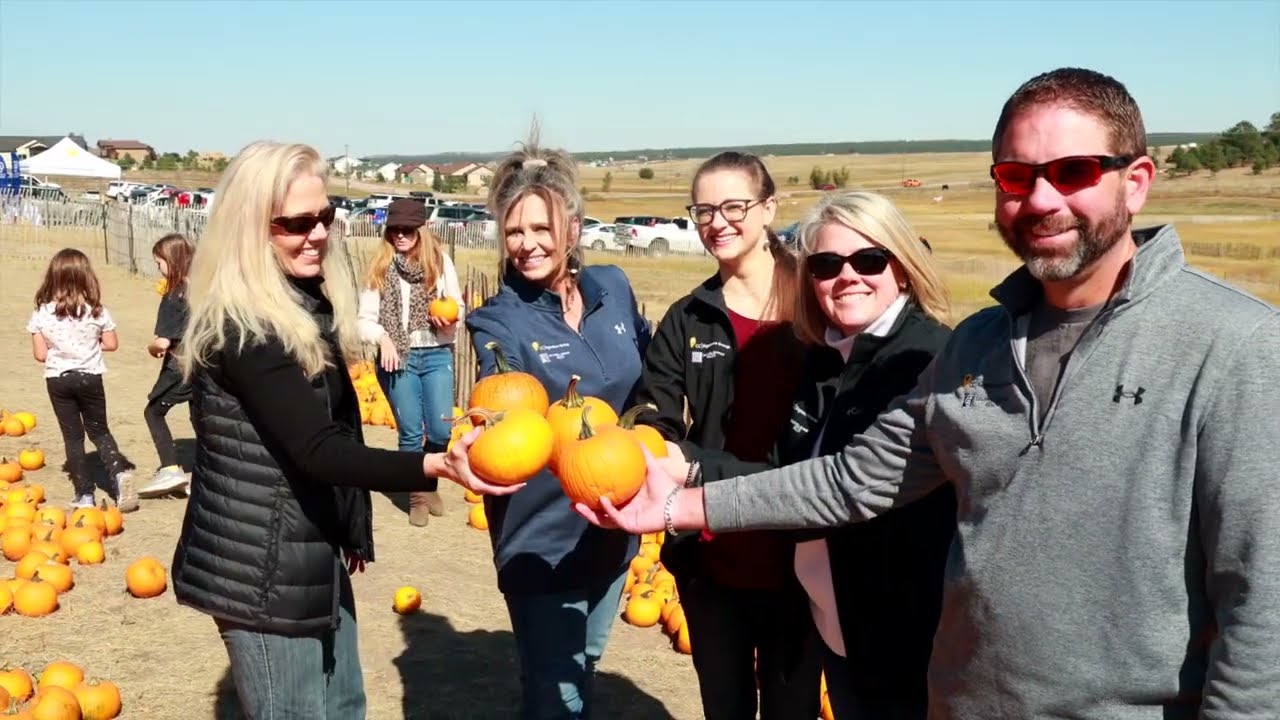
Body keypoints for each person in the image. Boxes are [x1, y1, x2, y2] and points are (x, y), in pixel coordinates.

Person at [576, 67, 1280, 717]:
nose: (1040, 199)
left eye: (1073, 172)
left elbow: (1262, 608)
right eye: (1015, 176)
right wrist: (676, 502)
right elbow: (853, 480)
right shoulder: (979, 345)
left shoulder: (1233, 346)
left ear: (1137, 181)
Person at [169, 140, 516, 719]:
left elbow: (327, 427)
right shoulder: (247, 328)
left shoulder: (297, 303)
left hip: (305, 549)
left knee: (345, 705)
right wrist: (431, 464)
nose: (318, 233)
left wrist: (348, 525)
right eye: (296, 223)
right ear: (249, 229)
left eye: (325, 216)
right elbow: (318, 449)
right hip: (262, 568)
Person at [682, 190, 956, 719]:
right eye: (827, 264)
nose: (846, 276)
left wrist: (689, 492)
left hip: (901, 641)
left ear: (903, 268)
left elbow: (839, 489)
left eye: (869, 259)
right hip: (835, 627)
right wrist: (693, 467)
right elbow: (792, 477)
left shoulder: (924, 361)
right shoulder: (824, 359)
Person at [462, 129, 651, 719]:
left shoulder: (612, 289)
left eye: (541, 229)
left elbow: (649, 382)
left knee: (583, 666)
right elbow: (504, 404)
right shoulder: (497, 321)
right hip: (540, 537)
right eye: (514, 231)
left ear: (572, 228)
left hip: (615, 523)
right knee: (557, 697)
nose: (527, 244)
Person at [632, 150, 817, 719]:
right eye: (703, 210)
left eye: (734, 206)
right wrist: (648, 438)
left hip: (801, 549)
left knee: (793, 707)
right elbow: (654, 408)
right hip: (711, 551)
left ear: (768, 208)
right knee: (726, 705)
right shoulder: (689, 317)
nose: (718, 222)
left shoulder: (817, 301)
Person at [357, 197, 464, 526]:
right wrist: (383, 337)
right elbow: (362, 321)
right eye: (394, 230)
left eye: (406, 230)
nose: (399, 236)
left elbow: (457, 306)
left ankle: (428, 482)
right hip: (398, 359)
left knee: (440, 429)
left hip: (435, 354)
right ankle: (417, 494)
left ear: (421, 231)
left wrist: (450, 321)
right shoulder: (380, 269)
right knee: (409, 431)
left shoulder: (440, 264)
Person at [26, 247, 138, 512]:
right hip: (90, 378)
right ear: (87, 277)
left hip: (58, 379)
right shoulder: (97, 311)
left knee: (73, 437)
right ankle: (119, 475)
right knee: (99, 430)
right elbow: (111, 344)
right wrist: (91, 342)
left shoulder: (43, 312)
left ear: (53, 277)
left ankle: (84, 495)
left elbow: (40, 355)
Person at [137, 233, 196, 499]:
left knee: (154, 412)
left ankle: (171, 468)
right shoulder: (203, 290)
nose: (158, 268)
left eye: (159, 262)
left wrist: (152, 349)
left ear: (171, 262)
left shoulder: (175, 296)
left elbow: (163, 342)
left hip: (180, 367)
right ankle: (211, 467)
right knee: (201, 416)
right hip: (205, 366)